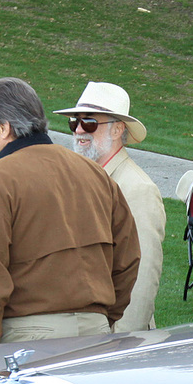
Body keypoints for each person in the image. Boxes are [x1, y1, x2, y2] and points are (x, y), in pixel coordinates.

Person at [0, 77, 140, 347]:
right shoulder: (94, 174)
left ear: (4, 128)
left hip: (28, 337)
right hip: (96, 330)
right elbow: (128, 258)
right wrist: (103, 317)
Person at [54, 81, 166, 332]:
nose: (79, 130)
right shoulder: (79, 177)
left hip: (112, 336)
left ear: (117, 130)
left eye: (90, 123)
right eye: (75, 122)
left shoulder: (138, 189)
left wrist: (121, 343)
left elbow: (142, 276)